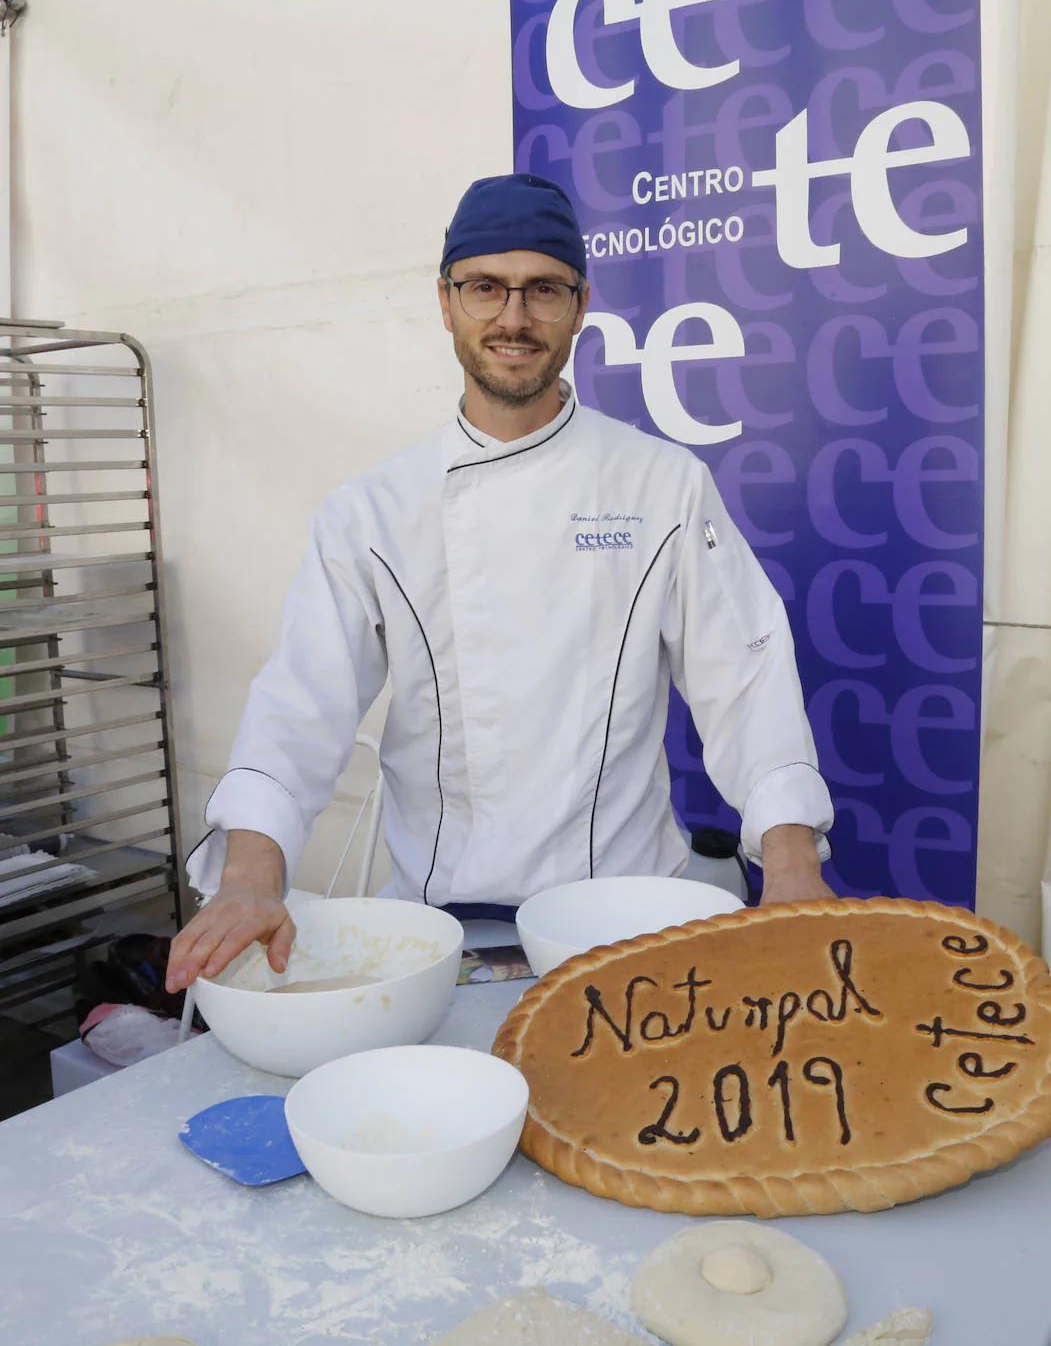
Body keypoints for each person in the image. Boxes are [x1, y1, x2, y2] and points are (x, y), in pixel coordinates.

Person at [165, 173, 834, 995]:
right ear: (445, 302)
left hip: (626, 918)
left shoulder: (661, 485)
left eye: (542, 290)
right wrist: (250, 876)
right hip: (439, 930)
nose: (513, 318)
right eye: (486, 288)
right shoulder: (372, 513)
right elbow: (302, 704)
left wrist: (792, 862)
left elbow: (746, 678)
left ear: (581, 304)